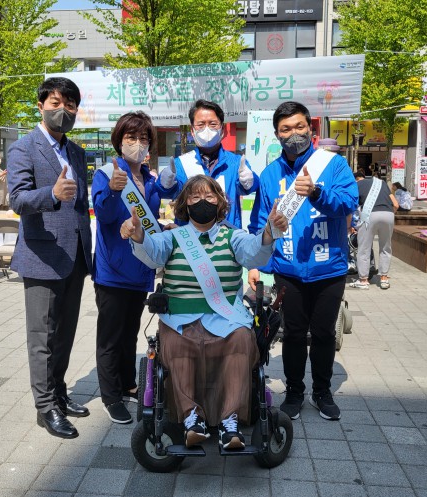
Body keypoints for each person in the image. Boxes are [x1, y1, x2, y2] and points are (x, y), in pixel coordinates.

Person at [121, 175, 287, 449]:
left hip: (226, 318)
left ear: (220, 203)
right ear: (185, 203)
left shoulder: (233, 236)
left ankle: (230, 420)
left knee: (241, 340)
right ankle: (191, 418)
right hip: (180, 319)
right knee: (177, 345)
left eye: (209, 197)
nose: (202, 202)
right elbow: (153, 253)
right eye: (195, 197)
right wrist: (138, 234)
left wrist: (269, 232)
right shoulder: (172, 237)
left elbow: (253, 253)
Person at [248, 101, 358, 421]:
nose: (293, 133)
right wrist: (257, 264)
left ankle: (322, 392)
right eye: (285, 129)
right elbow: (260, 223)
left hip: (329, 268)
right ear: (277, 135)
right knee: (293, 334)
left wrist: (317, 193)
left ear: (311, 128)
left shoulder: (333, 165)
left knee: (323, 333)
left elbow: (349, 203)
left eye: (299, 126)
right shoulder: (270, 174)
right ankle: (295, 391)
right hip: (289, 269)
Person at [7, 77, 92, 439]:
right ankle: (45, 407)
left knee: (66, 333)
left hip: (75, 255)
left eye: (70, 105)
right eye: (56, 103)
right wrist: (52, 194)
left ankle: (58, 391)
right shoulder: (23, 148)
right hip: (41, 256)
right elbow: (17, 200)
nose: (63, 111)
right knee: (43, 335)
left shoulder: (77, 152)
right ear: (41, 105)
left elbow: (82, 204)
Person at [91, 111, 163, 424]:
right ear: (119, 141)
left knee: (130, 333)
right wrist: (112, 189)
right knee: (110, 337)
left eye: (143, 138)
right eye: (131, 137)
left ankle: (127, 383)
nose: (138, 143)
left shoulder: (150, 179)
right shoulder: (107, 173)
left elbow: (151, 220)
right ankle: (111, 396)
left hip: (140, 269)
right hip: (113, 272)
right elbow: (104, 214)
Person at [156, 99, 259, 228]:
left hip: (227, 235)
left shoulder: (236, 163)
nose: (207, 129)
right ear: (192, 131)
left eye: (212, 124)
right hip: (191, 237)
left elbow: (249, 188)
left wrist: (250, 182)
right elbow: (166, 192)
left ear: (222, 129)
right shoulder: (180, 164)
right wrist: (165, 185)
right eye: (201, 124)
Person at [349, 171, 398, 290]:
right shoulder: (381, 182)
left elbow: (352, 207)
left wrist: (351, 225)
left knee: (364, 248)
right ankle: (384, 279)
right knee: (386, 247)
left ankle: (363, 280)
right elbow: (396, 205)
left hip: (370, 216)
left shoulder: (356, 185)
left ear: (356, 179)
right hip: (388, 215)